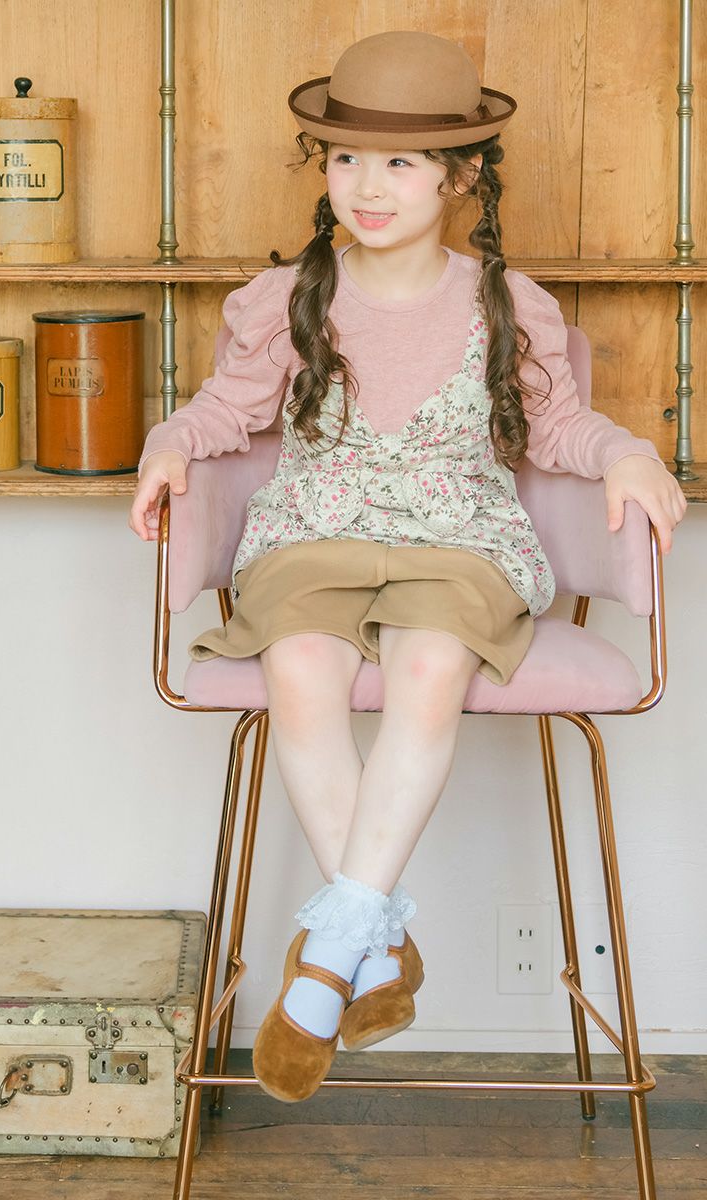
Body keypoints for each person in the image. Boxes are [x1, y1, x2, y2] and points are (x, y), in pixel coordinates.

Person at [128, 30, 687, 1103]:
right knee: (298, 662)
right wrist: (170, 442)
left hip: (456, 535)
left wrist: (624, 450)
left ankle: (338, 942)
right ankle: (374, 945)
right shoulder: (289, 296)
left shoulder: (501, 304)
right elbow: (228, 410)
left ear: (460, 175)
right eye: (343, 159)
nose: (366, 186)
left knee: (432, 664)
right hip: (315, 525)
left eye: (397, 163)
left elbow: (558, 426)